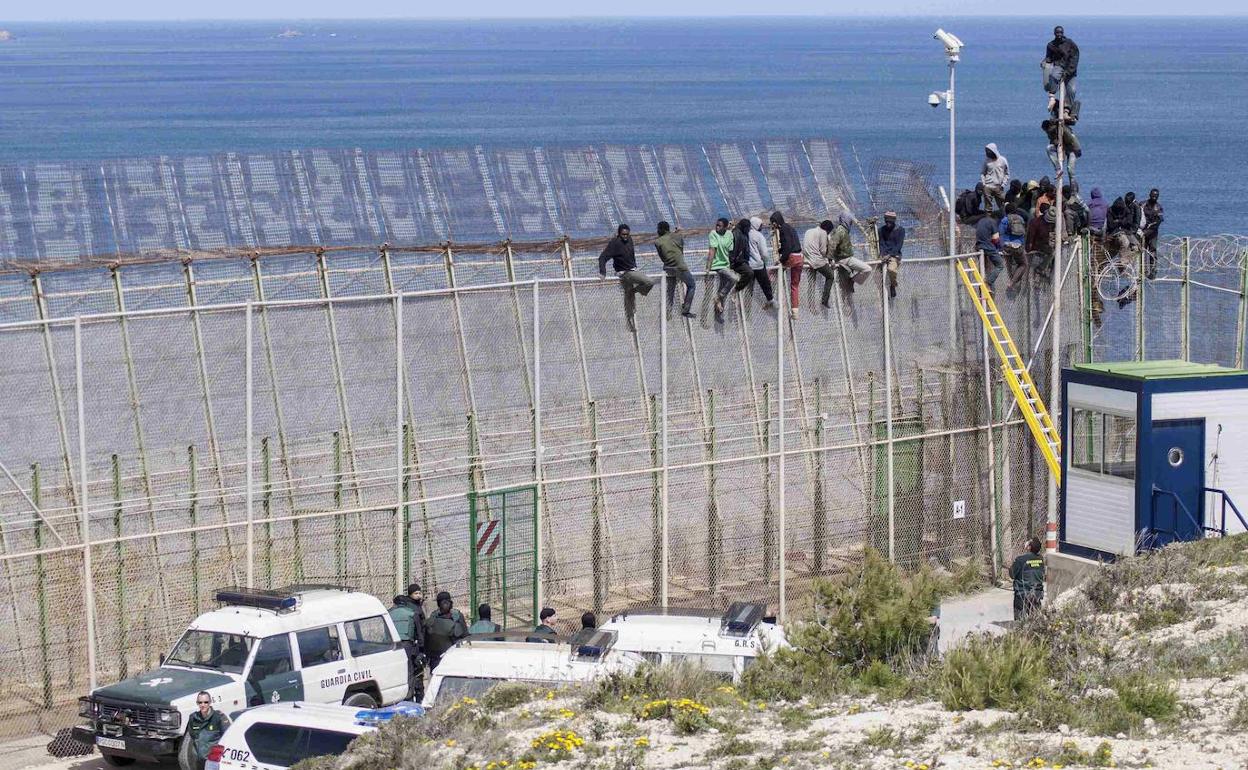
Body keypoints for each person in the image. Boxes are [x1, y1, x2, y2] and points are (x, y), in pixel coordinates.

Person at [598, 223, 655, 332]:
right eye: (623, 234)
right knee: (649, 282)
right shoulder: (615, 243)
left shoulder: (630, 240)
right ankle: (633, 292)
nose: (625, 236)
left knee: (629, 300)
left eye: (627, 234)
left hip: (632, 270)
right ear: (619, 234)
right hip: (625, 273)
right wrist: (602, 272)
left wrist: (634, 265)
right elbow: (602, 258)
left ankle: (630, 324)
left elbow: (631, 255)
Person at [389, 583, 427, 700]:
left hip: (392, 647)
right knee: (411, 673)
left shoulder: (388, 613)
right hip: (408, 646)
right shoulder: (412, 613)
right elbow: (420, 635)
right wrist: (421, 650)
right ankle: (411, 698)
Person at [654, 221, 696, 319]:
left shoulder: (657, 242)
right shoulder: (678, 236)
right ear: (668, 229)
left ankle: (668, 312)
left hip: (668, 268)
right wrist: (677, 232)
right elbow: (680, 251)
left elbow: (662, 257)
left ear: (660, 230)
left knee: (670, 290)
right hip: (680, 267)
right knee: (691, 285)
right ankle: (685, 310)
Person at [423, 591, 468, 671]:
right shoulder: (434, 617)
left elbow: (464, 636)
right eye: (443, 602)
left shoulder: (456, 616)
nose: (445, 604)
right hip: (442, 656)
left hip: (449, 655)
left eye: (446, 602)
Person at [770, 210, 802, 319]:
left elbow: (787, 247)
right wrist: (780, 250)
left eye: (773, 222)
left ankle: (768, 293)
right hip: (799, 258)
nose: (773, 225)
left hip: (792, 258)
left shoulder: (783, 229)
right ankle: (795, 311)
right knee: (794, 285)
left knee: (773, 270)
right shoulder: (791, 228)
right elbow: (791, 244)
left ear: (776, 221)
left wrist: (781, 259)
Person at [707, 217, 738, 324]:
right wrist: (708, 267)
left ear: (725, 227)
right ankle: (718, 297)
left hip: (726, 265)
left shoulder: (729, 234)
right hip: (717, 265)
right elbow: (712, 250)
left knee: (722, 288)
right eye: (716, 225)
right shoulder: (713, 234)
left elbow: (730, 250)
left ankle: (718, 314)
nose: (717, 227)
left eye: (719, 226)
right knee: (734, 278)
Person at [829, 213, 871, 293]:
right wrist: (831, 259)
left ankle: (851, 281)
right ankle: (851, 281)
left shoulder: (844, 230)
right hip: (844, 259)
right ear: (846, 220)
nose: (851, 222)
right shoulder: (840, 230)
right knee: (867, 269)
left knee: (846, 292)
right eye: (850, 220)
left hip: (847, 258)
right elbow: (832, 244)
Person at [187, 692, 230, 770]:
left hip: (213, 762)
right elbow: (193, 735)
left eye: (206, 702)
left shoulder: (219, 717)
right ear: (197, 703)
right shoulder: (193, 718)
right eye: (200, 702)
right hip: (199, 761)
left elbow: (228, 738)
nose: (203, 705)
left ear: (210, 702)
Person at [740, 216, 776, 307]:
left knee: (748, 289)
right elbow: (764, 253)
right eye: (760, 225)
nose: (762, 227)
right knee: (765, 284)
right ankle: (770, 300)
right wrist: (765, 261)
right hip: (758, 265)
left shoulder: (744, 234)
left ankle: (746, 309)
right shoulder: (758, 236)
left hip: (747, 266)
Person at [802, 220, 838, 308]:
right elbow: (823, 251)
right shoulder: (823, 233)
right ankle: (824, 300)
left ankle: (811, 304)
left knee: (812, 282)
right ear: (828, 230)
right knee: (830, 276)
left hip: (806, 259)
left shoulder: (809, 231)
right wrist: (830, 259)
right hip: (816, 261)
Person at [1009, 537, 1046, 621]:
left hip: (1022, 592)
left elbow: (1012, 574)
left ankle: (1020, 629)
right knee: (1035, 619)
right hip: (1037, 592)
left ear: (1029, 547)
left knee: (1019, 617)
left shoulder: (1020, 559)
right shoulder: (1041, 559)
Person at [1043, 26, 1080, 109]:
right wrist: (1044, 62)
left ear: (1063, 33)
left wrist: (1069, 71)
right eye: (1057, 33)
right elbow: (1049, 57)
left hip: (1070, 69)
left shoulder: (1070, 43)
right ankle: (1052, 98)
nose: (1059, 34)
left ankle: (1067, 108)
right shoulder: (1051, 45)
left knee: (1072, 90)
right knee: (1053, 76)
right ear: (1054, 33)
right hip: (1059, 65)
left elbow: (1075, 57)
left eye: (1060, 33)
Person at [998, 204, 1028, 289]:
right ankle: (1013, 282)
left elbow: (1001, 234)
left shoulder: (1005, 220)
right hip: (1018, 246)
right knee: (1023, 264)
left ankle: (1011, 281)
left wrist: (1001, 247)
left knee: (1009, 264)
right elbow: (1022, 234)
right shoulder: (1021, 219)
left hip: (1007, 247)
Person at [877, 211, 905, 299]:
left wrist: (890, 255)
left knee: (891, 269)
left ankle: (893, 285)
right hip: (884, 255)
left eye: (890, 221)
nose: (888, 223)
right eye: (886, 221)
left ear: (894, 221)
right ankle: (883, 295)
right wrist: (882, 254)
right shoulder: (881, 230)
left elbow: (899, 245)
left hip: (894, 255)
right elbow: (882, 243)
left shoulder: (900, 230)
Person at [1027, 204, 1055, 280]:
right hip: (1037, 246)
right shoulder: (1036, 222)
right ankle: (1040, 268)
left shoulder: (1044, 222)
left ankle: (1047, 272)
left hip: (1042, 244)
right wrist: (1029, 249)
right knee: (1051, 252)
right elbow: (1031, 236)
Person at [979, 144, 1010, 214]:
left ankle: (1003, 218)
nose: (987, 153)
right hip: (988, 186)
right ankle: (988, 220)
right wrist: (984, 184)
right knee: (987, 208)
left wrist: (1003, 185)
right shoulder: (987, 161)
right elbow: (982, 173)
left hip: (999, 186)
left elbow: (1007, 174)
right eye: (986, 151)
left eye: (989, 151)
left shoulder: (1002, 160)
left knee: (1002, 205)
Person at [975, 214, 1003, 289]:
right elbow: (996, 239)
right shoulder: (992, 222)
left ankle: (984, 288)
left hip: (979, 247)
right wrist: (1000, 248)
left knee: (984, 268)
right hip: (988, 247)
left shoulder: (980, 221)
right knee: (1000, 265)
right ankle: (988, 282)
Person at [1142, 188, 1164, 278]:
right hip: (1142, 232)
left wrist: (1150, 228)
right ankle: (1142, 269)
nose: (1154, 197)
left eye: (1156, 196)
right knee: (1142, 251)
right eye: (1153, 195)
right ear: (1150, 195)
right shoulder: (1143, 204)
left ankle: (1153, 270)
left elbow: (1159, 221)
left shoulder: (1158, 207)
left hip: (1153, 232)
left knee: (1152, 251)